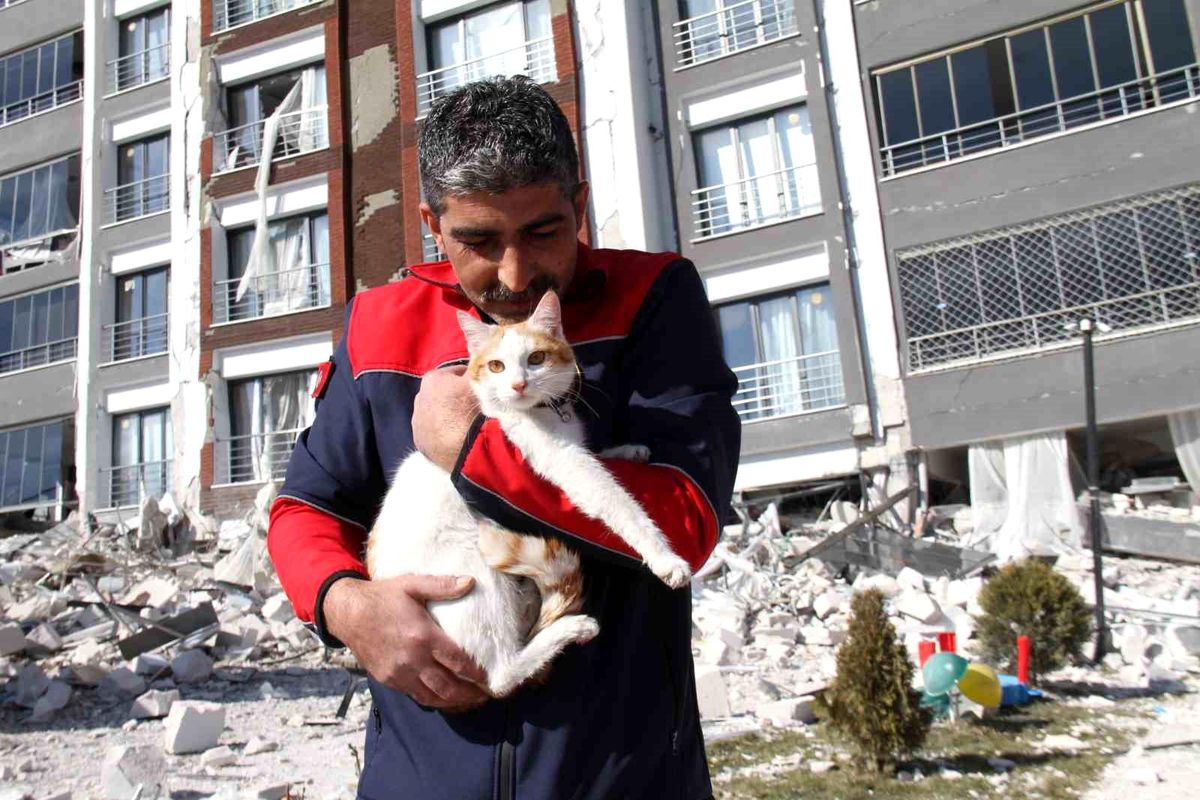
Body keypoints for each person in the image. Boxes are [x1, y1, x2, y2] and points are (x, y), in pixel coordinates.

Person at [268, 76, 741, 799]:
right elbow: (307, 510)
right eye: (479, 241)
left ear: (578, 205)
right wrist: (347, 608)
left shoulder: (653, 296)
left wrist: (469, 449)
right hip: (421, 775)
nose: (517, 274)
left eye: (544, 232)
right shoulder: (378, 323)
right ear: (431, 223)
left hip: (621, 776)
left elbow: (686, 518)